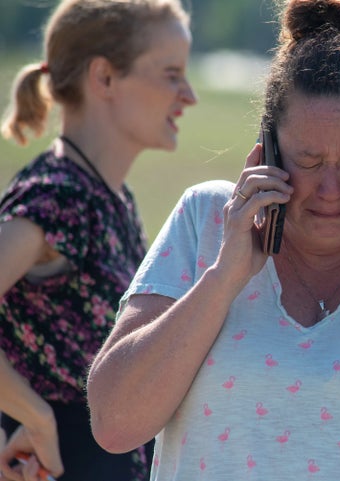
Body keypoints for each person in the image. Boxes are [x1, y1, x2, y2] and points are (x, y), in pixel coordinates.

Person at [86, 0, 340, 480]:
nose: (330, 189)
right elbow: (114, 424)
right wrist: (224, 276)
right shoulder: (208, 218)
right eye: (307, 161)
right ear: (268, 149)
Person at [0, 0, 197, 480]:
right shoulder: (56, 198)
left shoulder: (109, 198)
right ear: (105, 78)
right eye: (171, 74)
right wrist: (35, 417)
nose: (188, 95)